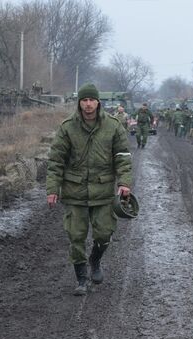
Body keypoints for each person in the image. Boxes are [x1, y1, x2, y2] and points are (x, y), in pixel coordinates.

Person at [46, 83, 133, 296]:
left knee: (104, 233)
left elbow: (122, 156)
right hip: (74, 191)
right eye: (84, 101)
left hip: (103, 191)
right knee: (75, 235)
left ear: (98, 102)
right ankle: (81, 279)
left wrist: (124, 182)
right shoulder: (68, 127)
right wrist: (52, 188)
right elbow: (56, 160)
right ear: (79, 103)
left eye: (91, 100)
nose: (88, 105)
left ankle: (95, 259)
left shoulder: (112, 126)